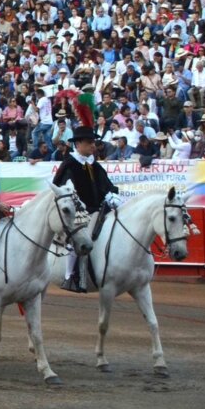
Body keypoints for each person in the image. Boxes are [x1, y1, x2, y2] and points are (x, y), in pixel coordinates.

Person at [53, 89, 119, 293]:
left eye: (94, 142)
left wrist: (112, 194)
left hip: (98, 209)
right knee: (81, 239)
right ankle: (70, 276)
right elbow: (62, 189)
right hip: (79, 213)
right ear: (79, 144)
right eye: (90, 143)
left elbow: (106, 183)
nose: (94, 146)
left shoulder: (93, 163)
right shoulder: (69, 164)